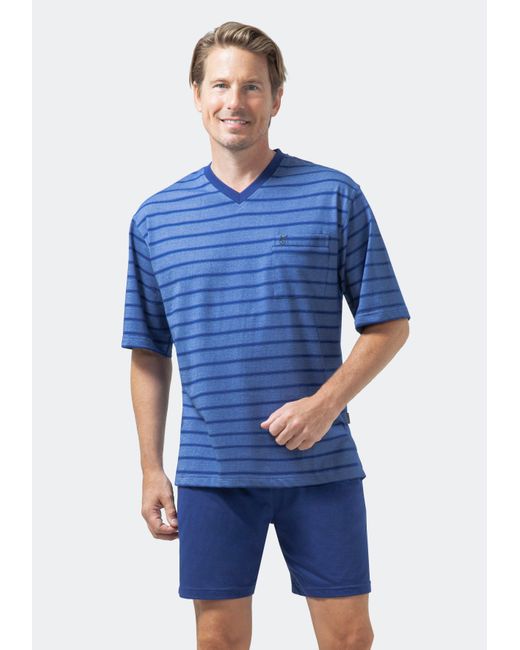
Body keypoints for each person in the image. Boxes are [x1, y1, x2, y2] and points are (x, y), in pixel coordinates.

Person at [121, 20, 411, 650]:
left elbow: (389, 324)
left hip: (321, 465)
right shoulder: (156, 218)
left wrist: (324, 405)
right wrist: (150, 469)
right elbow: (148, 352)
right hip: (212, 472)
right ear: (196, 95)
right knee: (218, 641)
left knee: (349, 638)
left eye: (252, 86)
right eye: (221, 85)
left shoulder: (334, 195)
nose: (236, 101)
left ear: (277, 98)